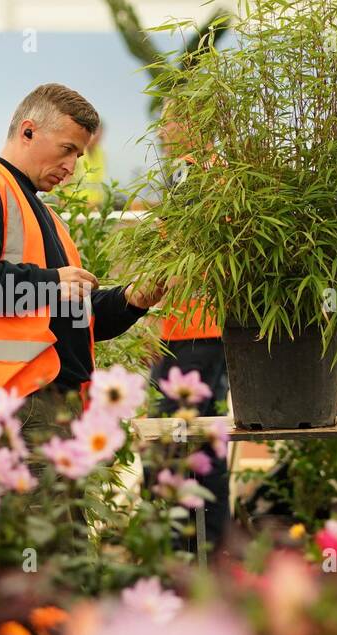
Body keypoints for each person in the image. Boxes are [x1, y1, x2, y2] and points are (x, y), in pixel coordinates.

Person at [0, 83, 163, 439]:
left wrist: (130, 300)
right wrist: (52, 283)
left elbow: (70, 317)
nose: (71, 167)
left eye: (79, 156)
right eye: (66, 149)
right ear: (28, 131)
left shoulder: (47, 218)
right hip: (6, 406)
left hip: (43, 404)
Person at [145, 100, 230, 550]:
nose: (161, 128)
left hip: (194, 329)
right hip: (204, 328)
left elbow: (176, 253)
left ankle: (188, 545)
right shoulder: (217, 172)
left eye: (170, 118)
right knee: (201, 433)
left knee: (179, 435)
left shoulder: (191, 173)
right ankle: (209, 542)